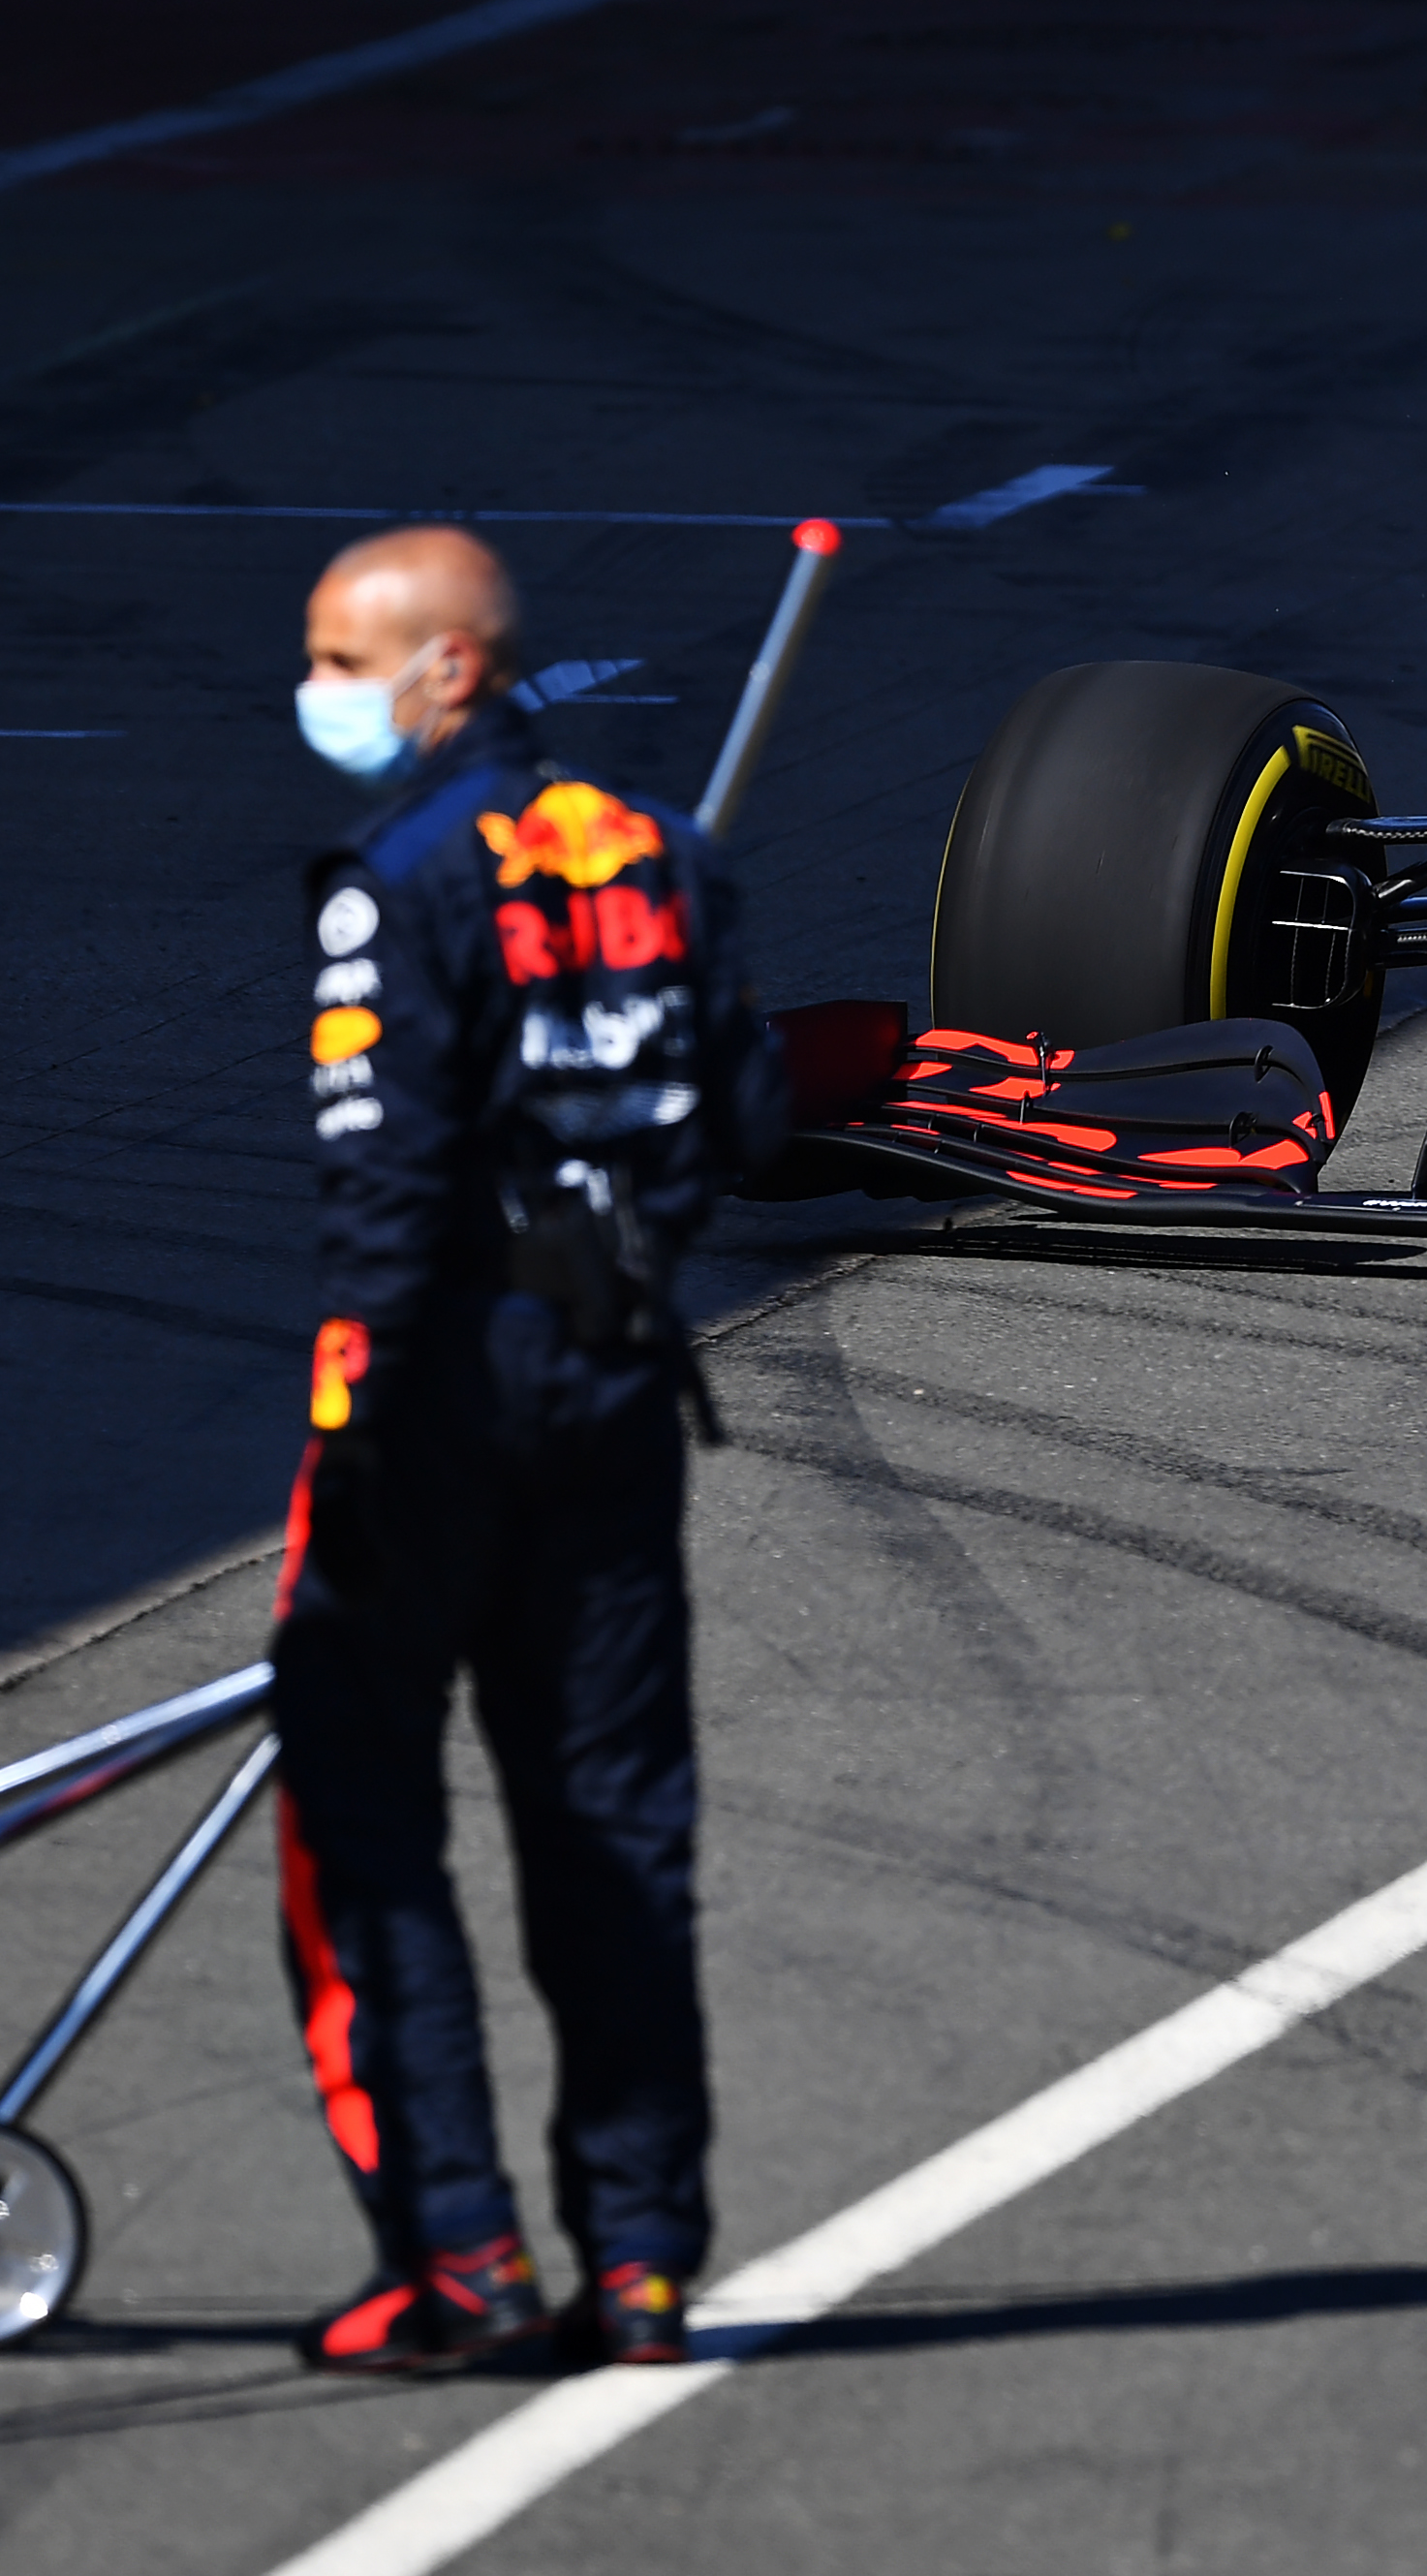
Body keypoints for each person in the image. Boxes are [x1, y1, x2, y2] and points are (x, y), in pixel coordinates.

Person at [271, 526, 783, 2374]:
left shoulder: (395, 879)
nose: (320, 689)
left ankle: (461, 2257)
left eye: (344, 655)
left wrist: (350, 1434)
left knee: (360, 1806)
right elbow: (746, 1111)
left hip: (443, 1400)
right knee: (614, 1831)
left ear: (452, 666)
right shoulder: (671, 855)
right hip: (623, 1375)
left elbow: (384, 1191)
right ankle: (641, 2261)